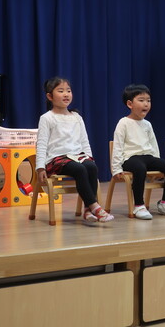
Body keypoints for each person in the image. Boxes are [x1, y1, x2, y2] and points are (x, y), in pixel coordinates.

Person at [36, 77, 114, 222]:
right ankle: (95, 207)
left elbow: (84, 141)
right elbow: (41, 144)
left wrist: (89, 158)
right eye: (61, 91)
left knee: (91, 167)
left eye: (68, 90)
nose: (66, 94)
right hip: (57, 159)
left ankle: (88, 210)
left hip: (77, 156)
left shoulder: (76, 117)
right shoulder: (47, 118)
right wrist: (40, 167)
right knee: (79, 169)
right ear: (50, 96)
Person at [112, 84, 165, 220]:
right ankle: (139, 205)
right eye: (141, 100)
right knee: (139, 168)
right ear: (130, 104)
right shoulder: (123, 123)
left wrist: (158, 163)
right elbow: (117, 146)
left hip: (148, 157)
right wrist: (116, 169)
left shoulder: (147, 124)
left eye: (148, 100)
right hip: (130, 159)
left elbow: (153, 144)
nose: (146, 104)